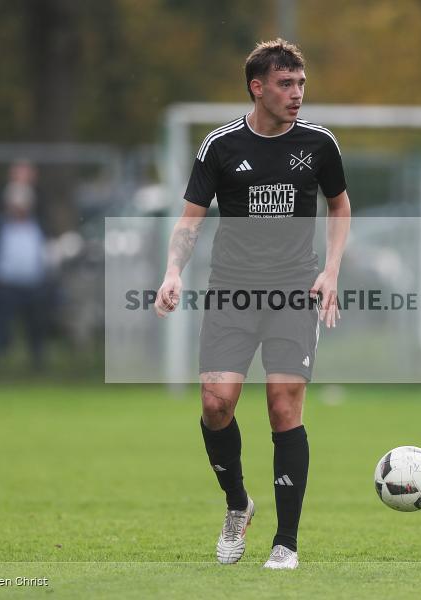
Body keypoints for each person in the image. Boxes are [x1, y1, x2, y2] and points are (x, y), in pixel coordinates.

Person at [154, 39, 351, 570]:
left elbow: (339, 206)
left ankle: (286, 543)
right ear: (257, 87)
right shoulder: (220, 146)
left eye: (301, 83)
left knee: (283, 406)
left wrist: (331, 270)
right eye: (286, 84)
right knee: (216, 404)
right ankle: (238, 504)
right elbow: (190, 221)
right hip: (231, 292)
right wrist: (172, 271)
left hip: (293, 291)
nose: (297, 94)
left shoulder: (319, 144)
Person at [0, 164, 51, 369]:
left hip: (33, 286)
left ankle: (37, 363)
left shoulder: (38, 226)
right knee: (0, 329)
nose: (20, 208)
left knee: (36, 328)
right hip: (5, 286)